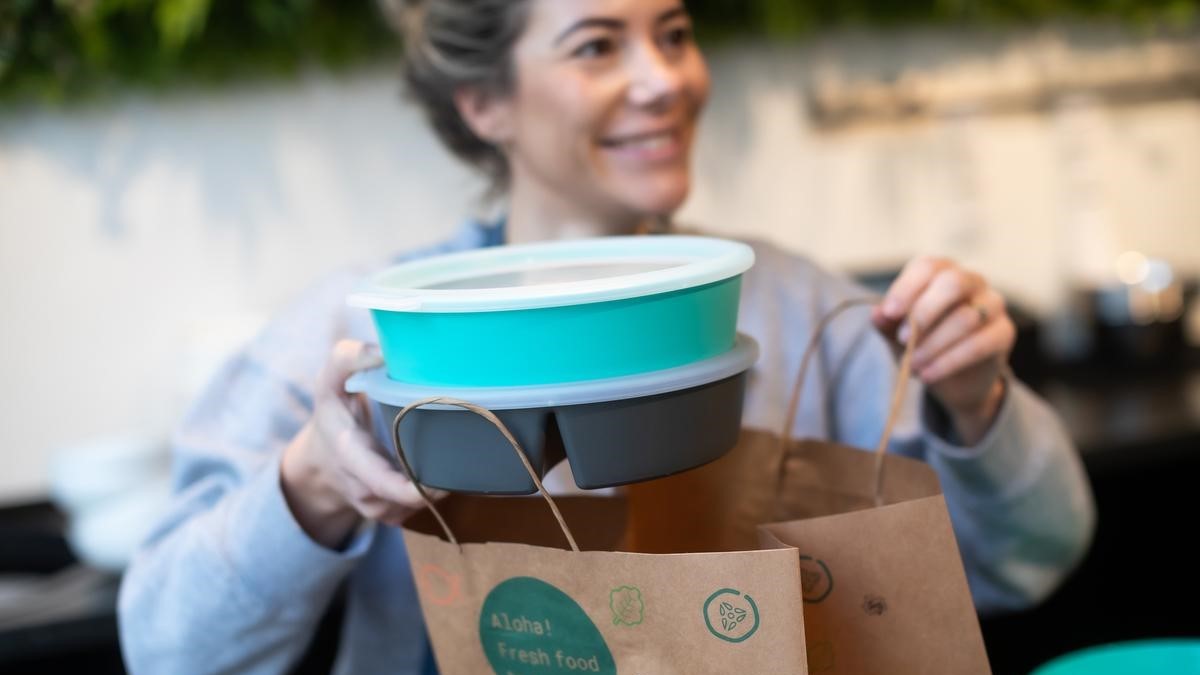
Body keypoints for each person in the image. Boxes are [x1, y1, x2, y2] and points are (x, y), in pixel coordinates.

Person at [117, 0, 1096, 673]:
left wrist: (979, 404)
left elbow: (1027, 562)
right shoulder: (364, 338)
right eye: (597, 47)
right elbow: (166, 646)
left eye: (674, 35)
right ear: (483, 101)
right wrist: (315, 486)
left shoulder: (796, 308)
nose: (662, 80)